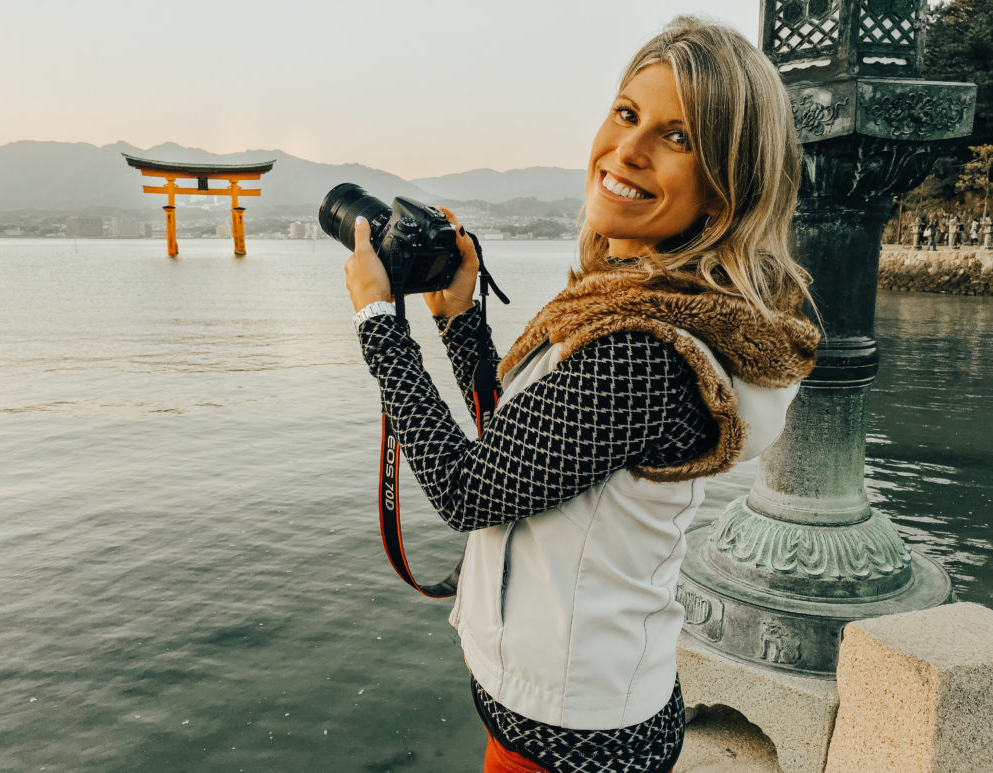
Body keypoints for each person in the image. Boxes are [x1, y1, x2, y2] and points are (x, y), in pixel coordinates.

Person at [344, 16, 819, 773]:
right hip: (580, 705)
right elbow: (525, 448)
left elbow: (468, 490)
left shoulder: (643, 351)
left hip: (569, 741)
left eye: (678, 136)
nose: (628, 149)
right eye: (628, 114)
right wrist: (461, 321)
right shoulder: (642, 305)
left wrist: (377, 321)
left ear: (726, 188)